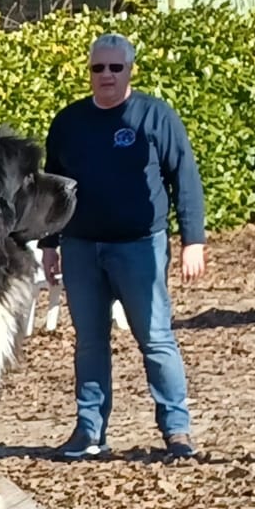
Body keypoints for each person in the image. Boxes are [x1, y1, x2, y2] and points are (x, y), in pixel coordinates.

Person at [42, 33, 205, 460]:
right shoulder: (69, 122)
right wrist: (49, 243)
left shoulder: (155, 116)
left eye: (116, 67)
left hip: (140, 246)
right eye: (99, 68)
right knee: (89, 341)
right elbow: (52, 188)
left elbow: (183, 175)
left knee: (155, 337)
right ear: (90, 72)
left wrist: (193, 241)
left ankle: (177, 431)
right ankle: (90, 431)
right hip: (81, 246)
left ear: (130, 70)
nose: (107, 76)